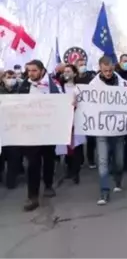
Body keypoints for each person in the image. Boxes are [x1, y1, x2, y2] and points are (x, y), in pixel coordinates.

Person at [17, 60, 63, 211]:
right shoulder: (23, 86)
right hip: (31, 132)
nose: (31, 73)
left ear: (42, 71)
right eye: (29, 70)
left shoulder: (53, 84)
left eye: (34, 70)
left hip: (48, 131)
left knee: (48, 159)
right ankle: (32, 196)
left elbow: (62, 102)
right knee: (33, 163)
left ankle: (48, 185)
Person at [90, 55, 127, 205]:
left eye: (110, 70)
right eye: (105, 70)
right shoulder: (93, 85)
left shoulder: (124, 84)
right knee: (102, 160)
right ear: (100, 68)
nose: (108, 73)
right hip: (101, 129)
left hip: (118, 129)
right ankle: (104, 191)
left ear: (114, 67)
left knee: (119, 160)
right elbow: (83, 98)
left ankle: (118, 180)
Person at [59, 64, 86, 184]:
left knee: (77, 146)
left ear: (75, 74)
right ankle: (69, 169)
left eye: (69, 71)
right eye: (65, 71)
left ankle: (76, 171)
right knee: (67, 146)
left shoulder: (79, 88)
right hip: (65, 120)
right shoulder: (60, 87)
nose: (66, 73)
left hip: (77, 120)